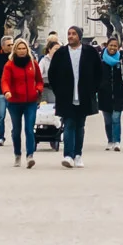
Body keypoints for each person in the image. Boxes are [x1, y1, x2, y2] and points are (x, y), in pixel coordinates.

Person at [43, 26, 102, 169]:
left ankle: (78, 155)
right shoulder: (61, 53)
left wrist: (92, 90)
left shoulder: (90, 52)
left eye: (74, 34)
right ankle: (68, 155)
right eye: (69, 33)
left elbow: (98, 72)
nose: (70, 36)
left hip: (84, 95)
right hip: (66, 96)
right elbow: (52, 74)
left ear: (79, 36)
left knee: (80, 126)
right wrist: (58, 91)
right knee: (69, 124)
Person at [0, 37, 44, 168]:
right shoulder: (9, 65)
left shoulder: (33, 63)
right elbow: (5, 81)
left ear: (27, 49)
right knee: (16, 130)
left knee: (29, 129)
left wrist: (38, 90)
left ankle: (30, 156)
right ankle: (17, 154)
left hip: (30, 101)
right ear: (15, 50)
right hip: (14, 102)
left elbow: (39, 80)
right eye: (19, 48)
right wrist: (7, 91)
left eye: (24, 48)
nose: (21, 51)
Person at [97, 33, 123, 151]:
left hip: (118, 94)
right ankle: (110, 140)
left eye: (115, 46)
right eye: (111, 45)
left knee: (116, 118)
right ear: (107, 46)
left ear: (118, 47)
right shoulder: (101, 60)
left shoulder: (121, 60)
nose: (113, 48)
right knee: (108, 121)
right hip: (104, 94)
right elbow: (95, 76)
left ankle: (117, 141)